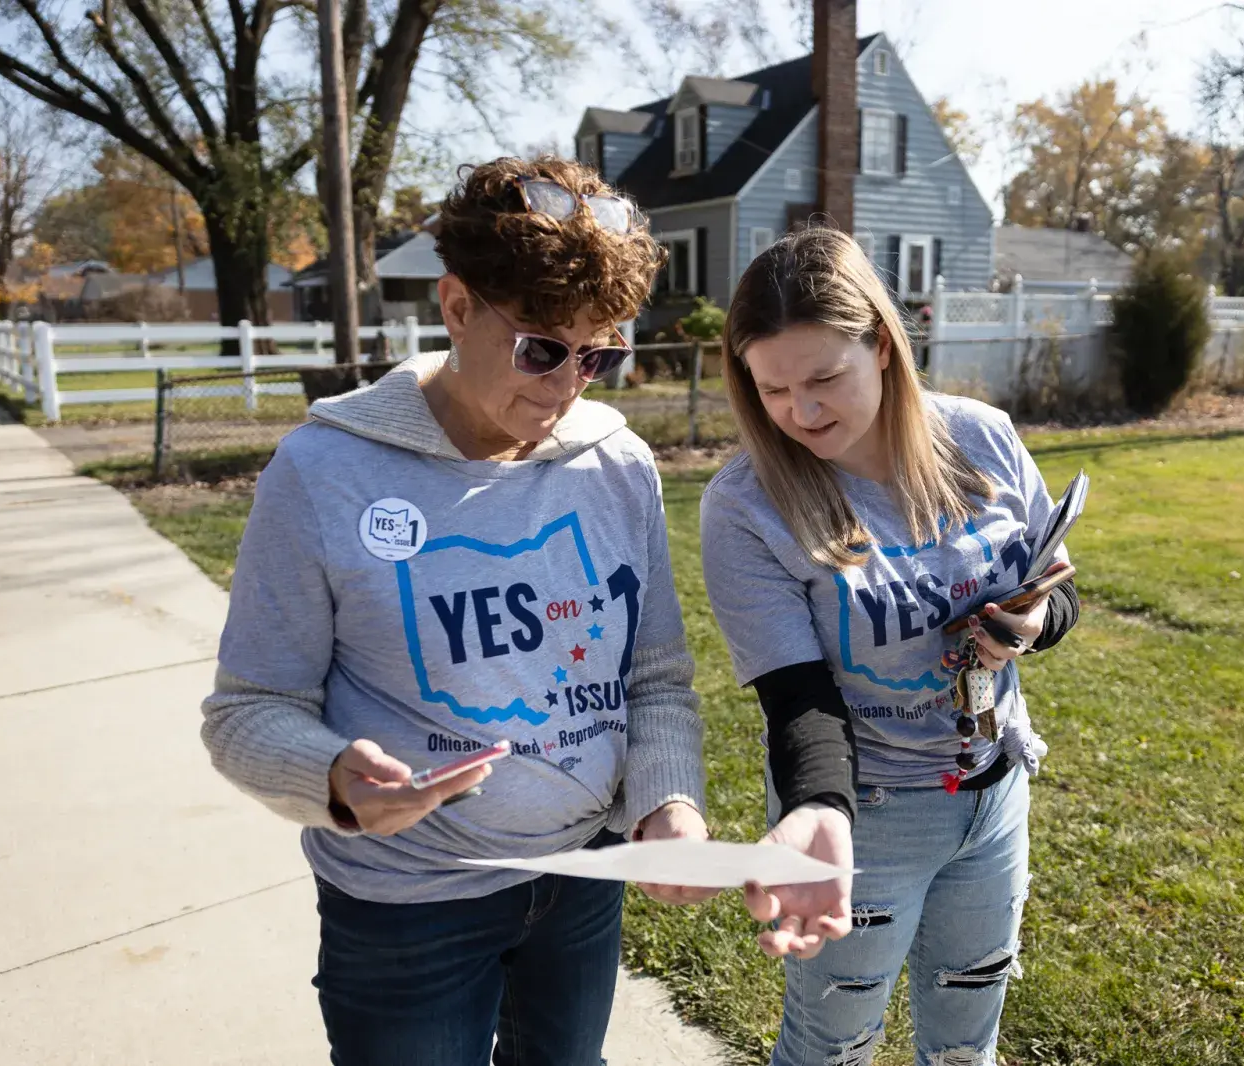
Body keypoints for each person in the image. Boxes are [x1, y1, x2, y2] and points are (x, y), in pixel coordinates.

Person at [201, 156, 714, 1066]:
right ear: (456, 306)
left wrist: (668, 800)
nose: (567, 385)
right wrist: (332, 777)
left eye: (599, 355)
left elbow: (655, 677)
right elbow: (248, 710)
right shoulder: (323, 473)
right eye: (541, 349)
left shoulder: (618, 465)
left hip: (582, 878)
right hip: (408, 907)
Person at [700, 228, 1079, 1066]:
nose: (802, 413)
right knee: (832, 1045)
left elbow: (1057, 588)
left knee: (967, 1042)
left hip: (994, 797)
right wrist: (818, 813)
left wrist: (1032, 624)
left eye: (824, 378)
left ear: (880, 343)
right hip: (865, 819)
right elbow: (798, 698)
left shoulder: (982, 438)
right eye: (773, 389)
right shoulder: (745, 508)